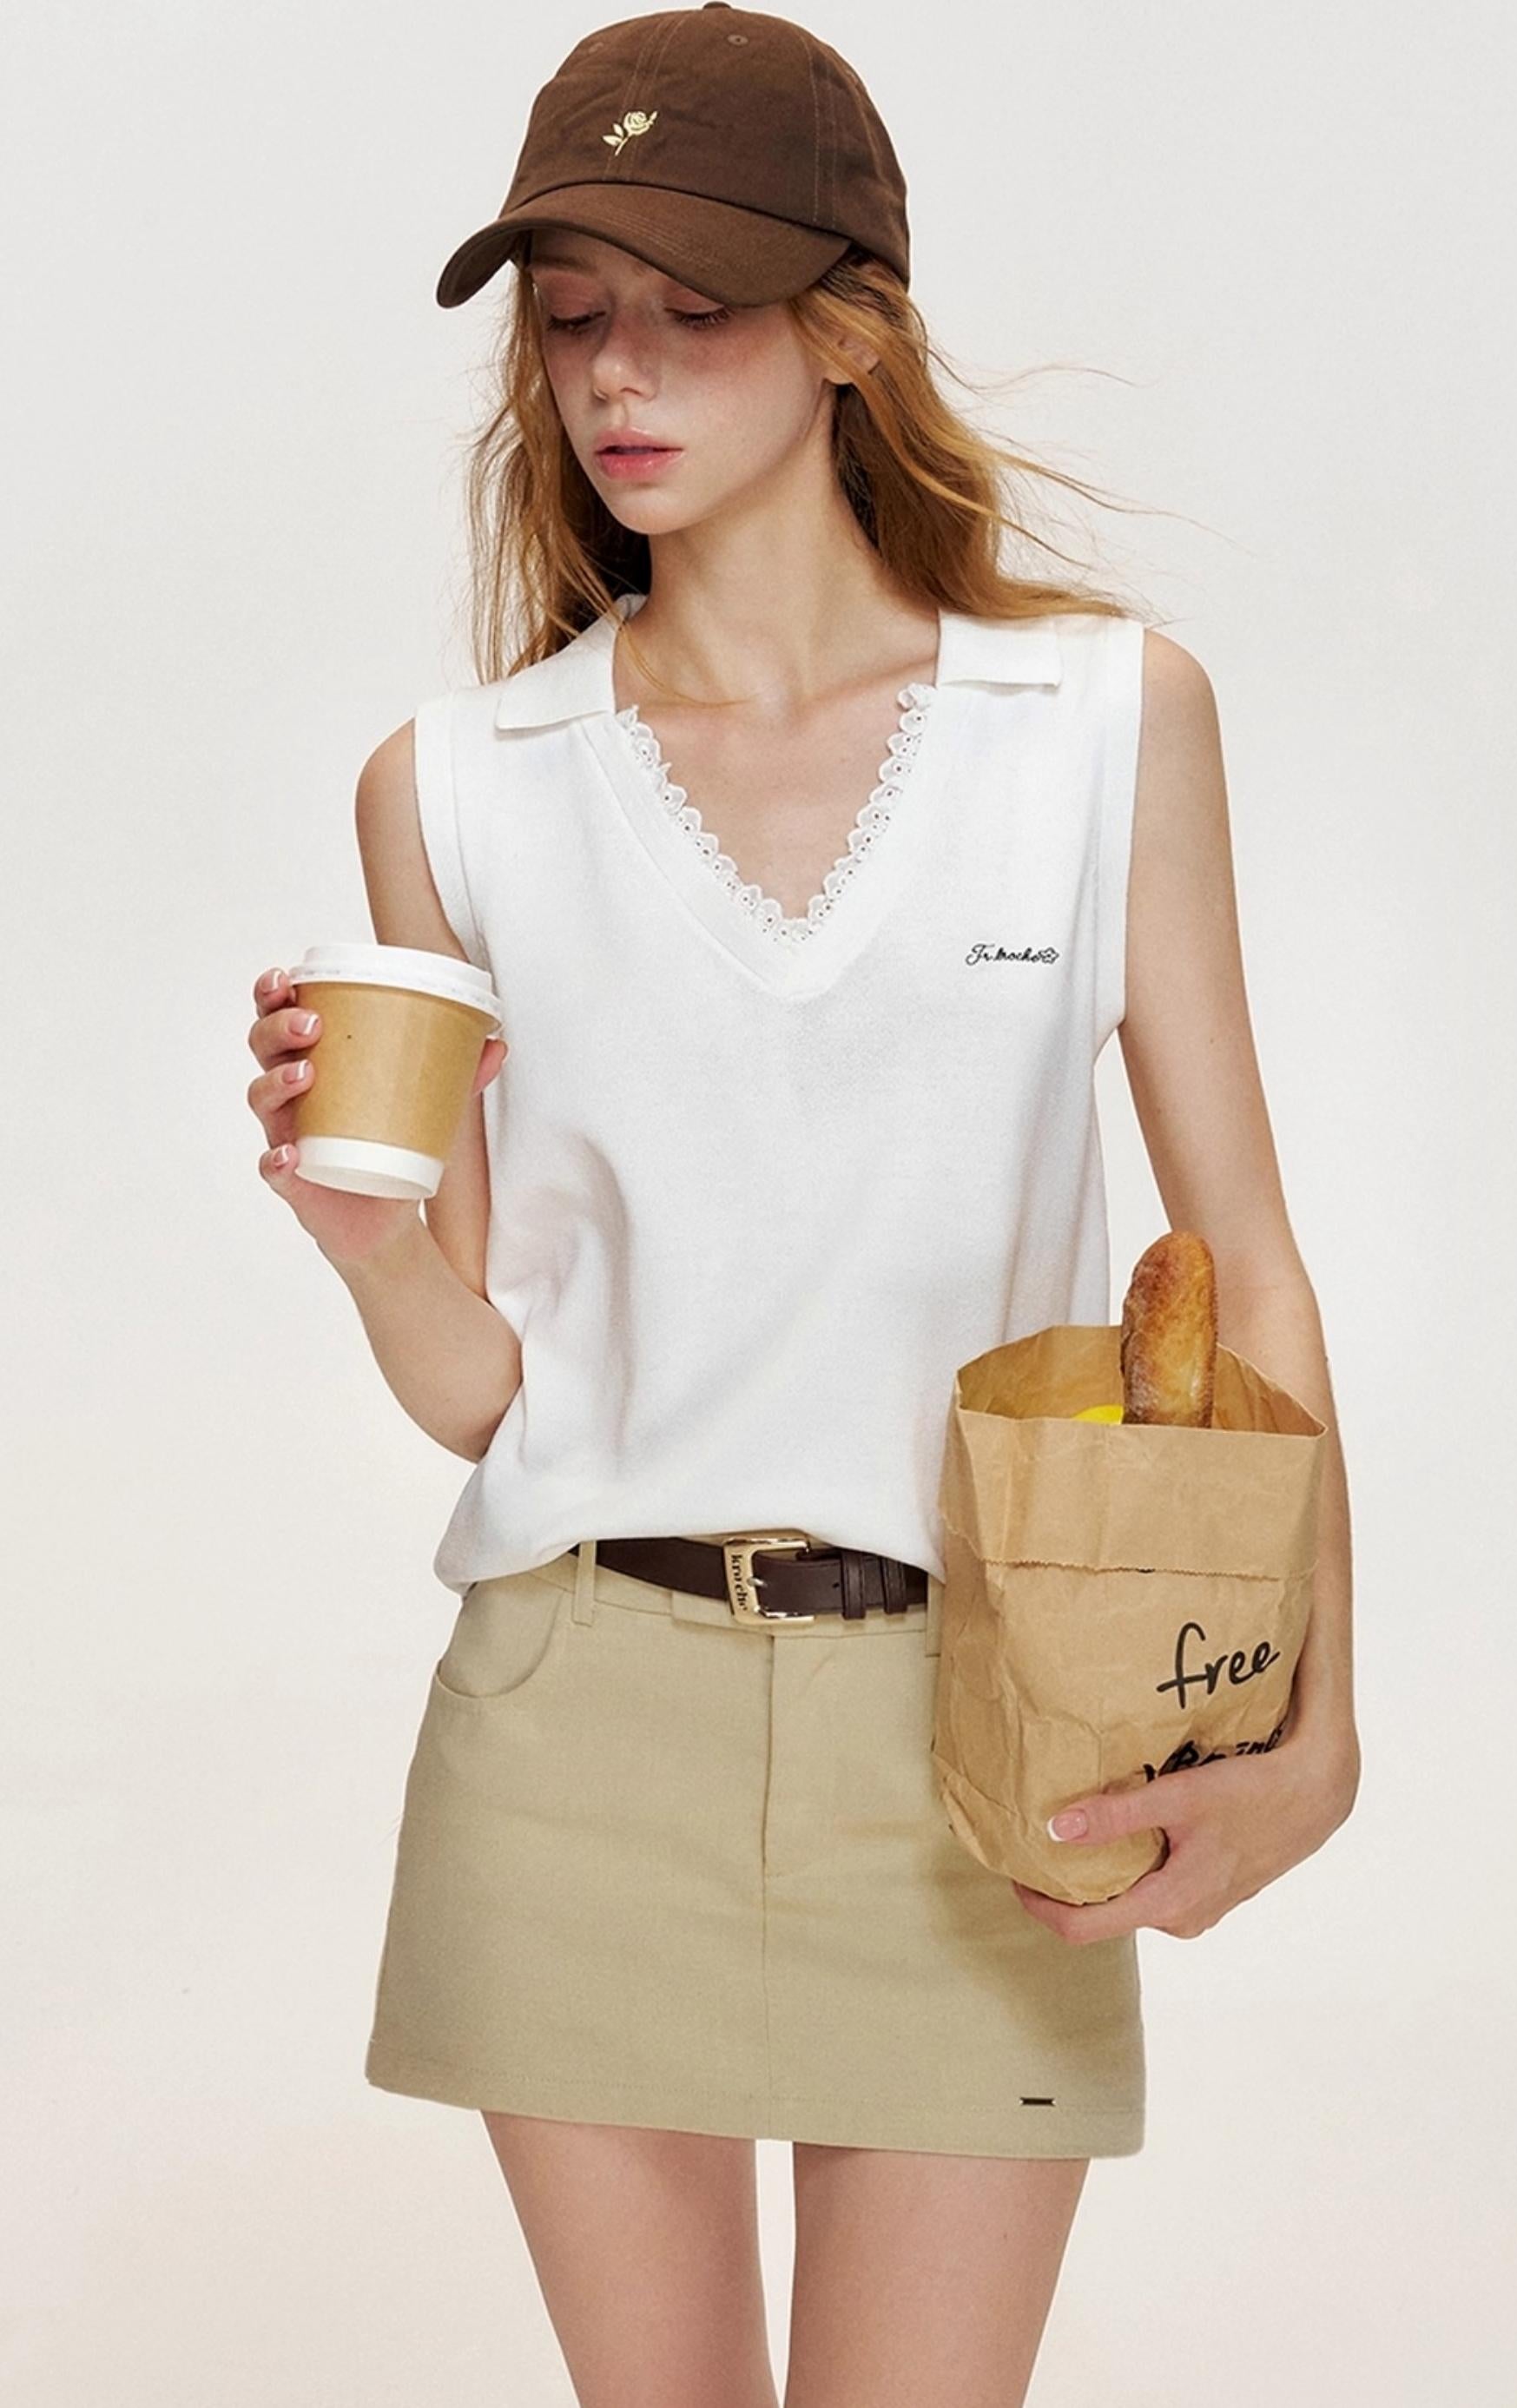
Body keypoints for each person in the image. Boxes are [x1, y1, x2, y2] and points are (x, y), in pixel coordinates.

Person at [245, 8, 1360, 2403]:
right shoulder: (456, 786)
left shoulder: (1101, 726)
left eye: (693, 308)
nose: (616, 375)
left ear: (852, 329)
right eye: (571, 319)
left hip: (987, 1730)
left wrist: (1313, 1720)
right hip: (578, 1726)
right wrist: (368, 1242)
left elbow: (1243, 1259)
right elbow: (491, 1397)